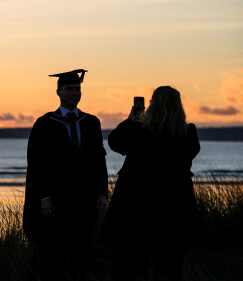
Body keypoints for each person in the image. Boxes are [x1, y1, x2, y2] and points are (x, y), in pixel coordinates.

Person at [101, 86, 201, 281]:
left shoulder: (139, 131)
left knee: (128, 269)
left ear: (152, 105)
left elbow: (115, 143)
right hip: (174, 211)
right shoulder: (188, 133)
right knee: (169, 269)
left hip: (136, 210)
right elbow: (190, 154)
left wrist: (132, 119)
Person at [23, 69, 108, 280]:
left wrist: (102, 192)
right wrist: (43, 198)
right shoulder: (44, 124)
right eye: (69, 89)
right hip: (55, 200)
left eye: (78, 89)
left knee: (81, 256)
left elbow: (99, 160)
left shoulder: (91, 123)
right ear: (58, 92)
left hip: (84, 200)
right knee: (53, 257)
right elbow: (36, 164)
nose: (75, 93)